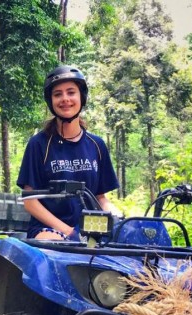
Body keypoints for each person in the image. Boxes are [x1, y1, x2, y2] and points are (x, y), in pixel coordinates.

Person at [16, 65, 120, 241]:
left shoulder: (97, 145)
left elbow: (100, 198)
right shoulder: (39, 144)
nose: (65, 99)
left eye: (71, 92)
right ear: (51, 101)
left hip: (91, 229)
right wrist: (69, 232)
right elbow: (30, 201)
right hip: (50, 229)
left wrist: (119, 218)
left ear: (82, 97)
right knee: (56, 246)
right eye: (58, 94)